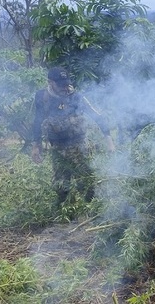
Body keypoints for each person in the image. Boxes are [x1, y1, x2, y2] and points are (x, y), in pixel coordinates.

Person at [31, 67, 115, 208]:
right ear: (50, 82)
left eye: (67, 83)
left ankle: (90, 207)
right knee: (61, 184)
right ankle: (64, 209)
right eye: (61, 84)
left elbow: (98, 117)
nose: (65, 87)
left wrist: (109, 141)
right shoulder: (42, 97)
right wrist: (36, 145)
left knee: (86, 181)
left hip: (78, 145)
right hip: (57, 146)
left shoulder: (76, 97)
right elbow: (37, 121)